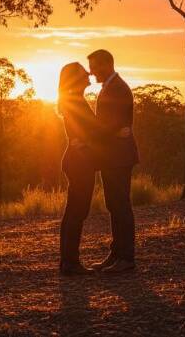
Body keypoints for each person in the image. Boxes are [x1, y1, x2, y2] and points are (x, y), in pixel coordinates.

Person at [87, 49, 138, 273]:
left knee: (121, 206)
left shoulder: (118, 87)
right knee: (113, 205)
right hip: (112, 156)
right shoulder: (110, 86)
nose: (91, 72)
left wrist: (87, 136)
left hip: (119, 156)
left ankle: (126, 258)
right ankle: (116, 253)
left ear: (107, 64)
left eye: (94, 66)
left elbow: (113, 124)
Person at [57, 62, 100, 276]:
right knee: (77, 211)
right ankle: (70, 263)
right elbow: (85, 131)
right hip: (79, 162)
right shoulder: (74, 102)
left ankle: (68, 260)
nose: (89, 73)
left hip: (77, 160)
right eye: (85, 72)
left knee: (73, 212)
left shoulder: (73, 100)